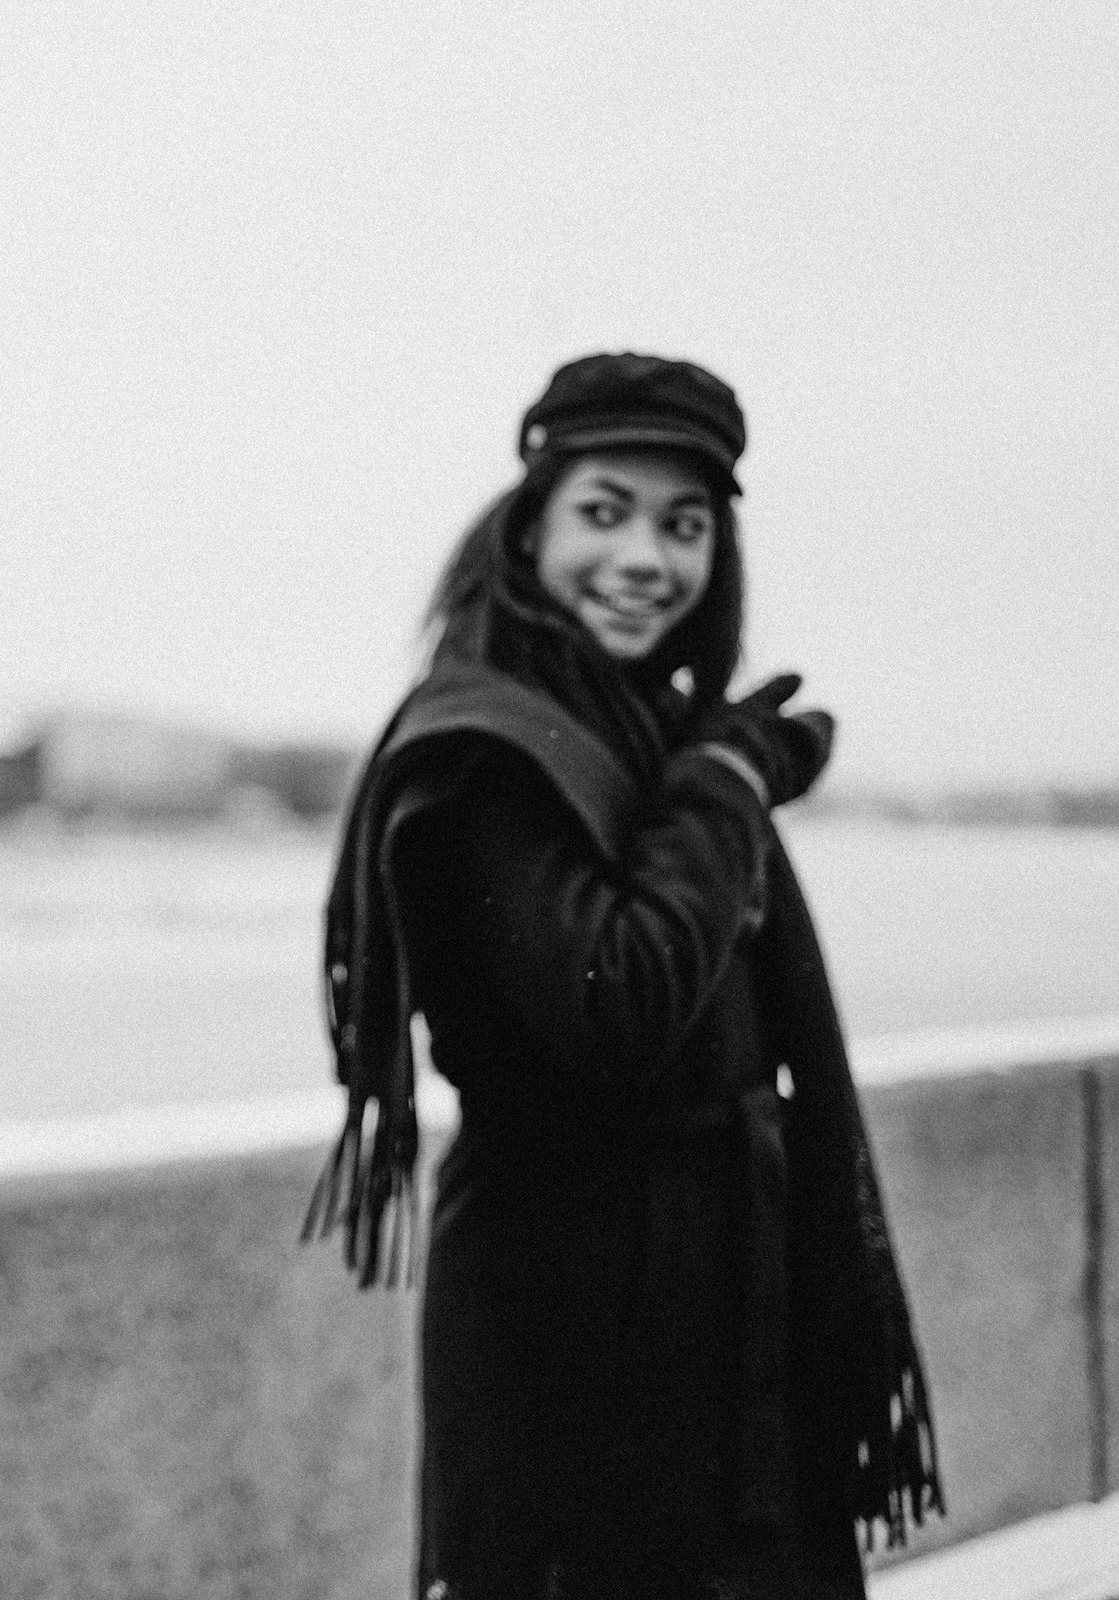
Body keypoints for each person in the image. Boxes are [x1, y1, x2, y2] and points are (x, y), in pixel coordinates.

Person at [309, 354, 942, 1599]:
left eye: (685, 524)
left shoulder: (640, 731)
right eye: (605, 511)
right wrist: (726, 784)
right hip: (575, 1326)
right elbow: (617, 1003)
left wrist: (710, 774)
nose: (646, 557)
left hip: (718, 1308)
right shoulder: (486, 750)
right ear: (530, 527)